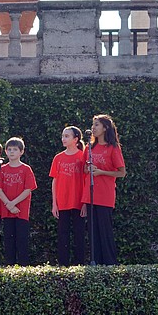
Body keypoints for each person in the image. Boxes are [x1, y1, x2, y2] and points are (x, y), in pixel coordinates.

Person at [81, 114, 126, 265]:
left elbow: (121, 172)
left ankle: (110, 263)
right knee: (92, 232)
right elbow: (84, 170)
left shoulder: (113, 147)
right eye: (93, 125)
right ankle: (96, 263)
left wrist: (101, 172)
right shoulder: (89, 147)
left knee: (105, 231)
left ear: (105, 128)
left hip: (105, 195)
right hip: (91, 195)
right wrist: (89, 169)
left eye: (97, 125)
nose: (93, 128)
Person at [49, 126, 86, 266]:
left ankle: (79, 265)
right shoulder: (58, 157)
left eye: (67, 136)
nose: (63, 138)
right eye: (63, 136)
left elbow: (86, 180)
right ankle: (63, 265)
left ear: (76, 139)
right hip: (62, 202)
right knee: (62, 235)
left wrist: (85, 203)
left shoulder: (83, 157)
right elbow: (55, 180)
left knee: (79, 235)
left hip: (78, 202)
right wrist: (54, 204)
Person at [0, 136, 37, 266]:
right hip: (7, 211)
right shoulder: (2, 169)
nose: (12, 152)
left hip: (21, 211)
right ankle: (10, 267)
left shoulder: (26, 169)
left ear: (21, 152)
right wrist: (8, 205)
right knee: (8, 240)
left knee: (22, 240)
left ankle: (23, 268)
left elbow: (28, 189)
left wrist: (13, 203)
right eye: (9, 149)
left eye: (15, 149)